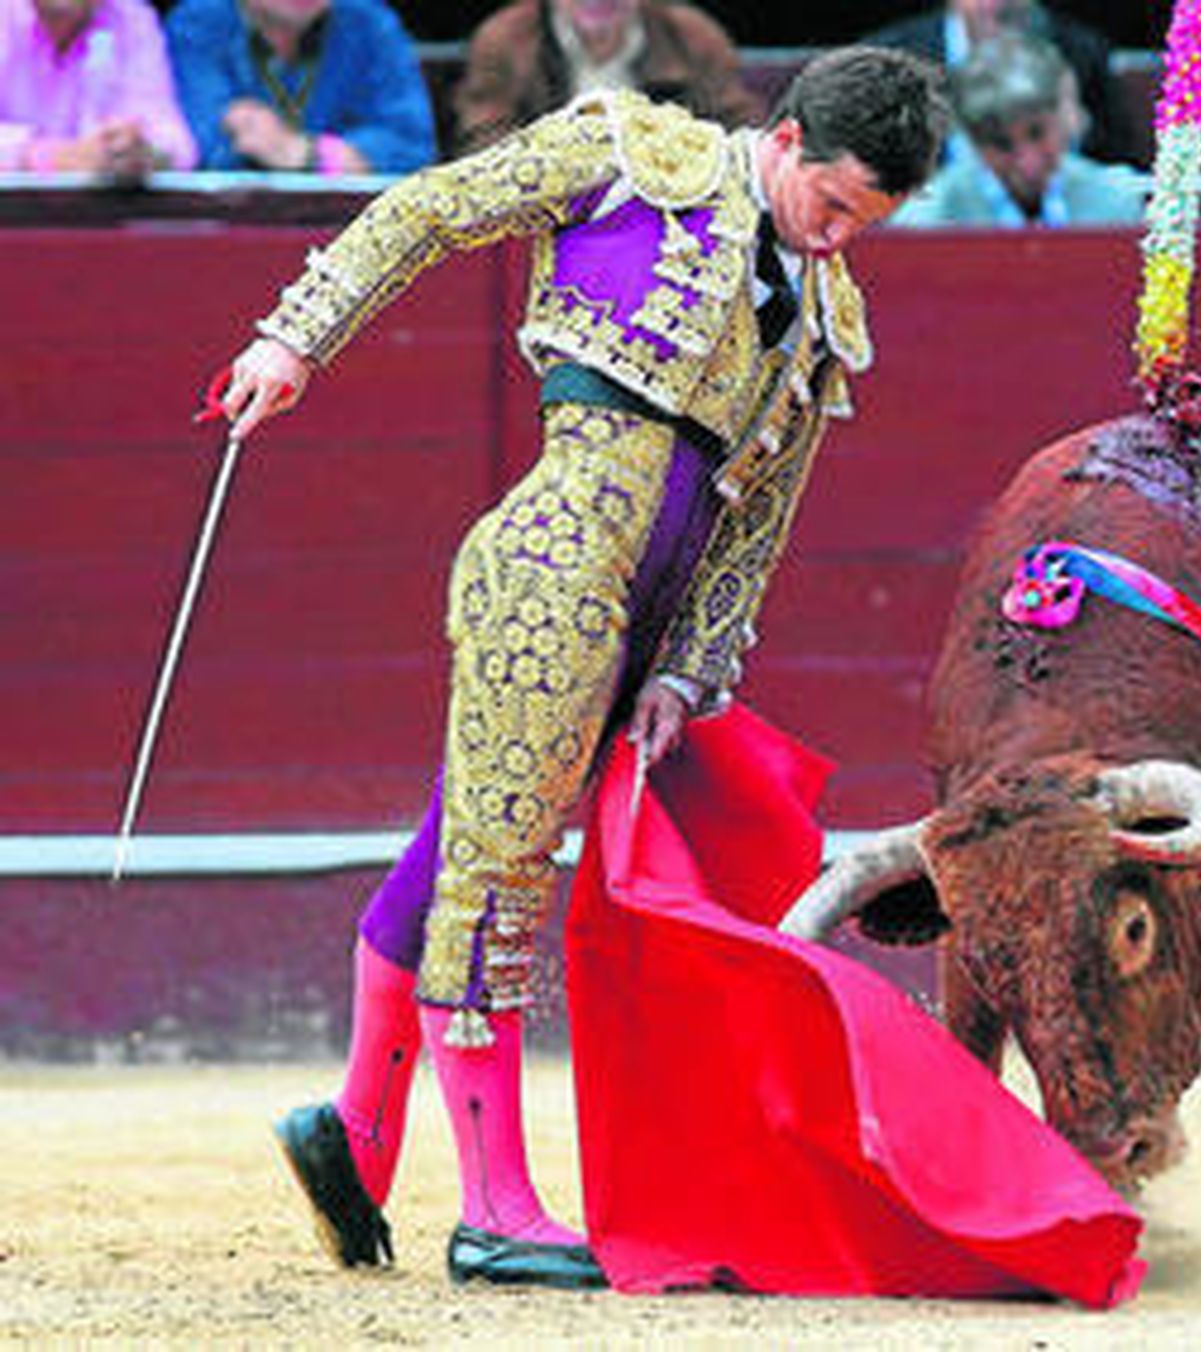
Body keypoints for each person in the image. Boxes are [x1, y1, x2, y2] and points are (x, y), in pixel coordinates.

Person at [216, 46, 948, 1285]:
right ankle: (493, 1204)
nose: (834, 240)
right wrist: (297, 337)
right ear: (784, 141)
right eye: (828, 205)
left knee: (461, 842)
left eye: (861, 225)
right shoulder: (633, 153)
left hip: (641, 618)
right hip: (552, 567)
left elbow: (758, 513)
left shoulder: (826, 312)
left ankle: (355, 1129)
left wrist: (687, 669)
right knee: (497, 872)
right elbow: (432, 206)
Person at [450, 0, 760, 158]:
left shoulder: (693, 36)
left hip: (666, 211)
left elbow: (739, 133)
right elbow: (482, 139)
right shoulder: (504, 39)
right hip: (546, 212)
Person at [892, 31, 1142, 228]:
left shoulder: (1122, 204)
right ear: (971, 142)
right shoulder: (925, 222)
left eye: (1038, 134)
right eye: (1001, 144)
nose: (1027, 162)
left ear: (1065, 117)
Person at [165, 0, 435, 174]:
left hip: (350, 225)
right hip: (229, 226)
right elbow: (192, 150)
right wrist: (351, 159)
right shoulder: (195, 23)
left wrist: (309, 153)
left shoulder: (370, 22)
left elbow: (413, 147)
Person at [863, 0, 1129, 164]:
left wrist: (1075, 136)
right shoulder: (890, 62)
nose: (998, 4)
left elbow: (1115, 162)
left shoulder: (1080, 53)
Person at [0, 0, 196, 175]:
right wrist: (47, 157)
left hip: (98, 202)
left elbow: (175, 144)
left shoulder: (132, 19)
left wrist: (141, 154)